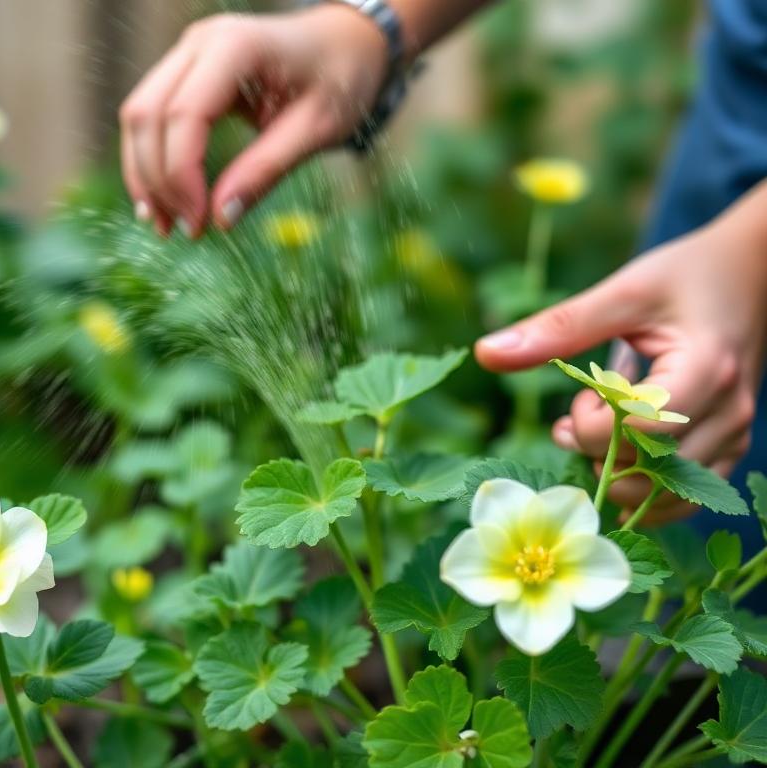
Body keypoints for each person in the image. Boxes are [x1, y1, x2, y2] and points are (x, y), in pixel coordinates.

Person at [118, 1, 767, 527]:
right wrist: (377, 24)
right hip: (735, 151)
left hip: (734, 261)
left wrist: (749, 260)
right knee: (674, 554)